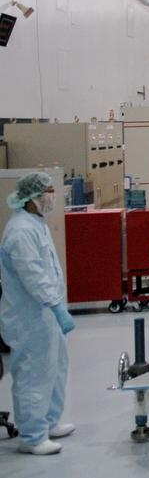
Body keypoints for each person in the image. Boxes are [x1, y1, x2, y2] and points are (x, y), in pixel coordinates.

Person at [0, 173, 77, 455]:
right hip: (28, 316)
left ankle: (49, 421)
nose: (52, 197)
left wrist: (56, 306)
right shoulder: (20, 231)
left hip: (46, 312)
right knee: (34, 373)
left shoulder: (36, 223)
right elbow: (33, 276)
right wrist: (56, 306)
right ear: (32, 197)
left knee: (55, 368)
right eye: (48, 192)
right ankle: (32, 435)